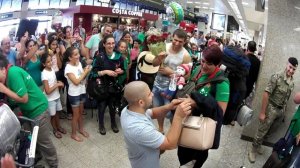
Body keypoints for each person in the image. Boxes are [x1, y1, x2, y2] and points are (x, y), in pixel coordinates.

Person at [0, 56, 58, 167]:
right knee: (31, 138)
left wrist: (4, 90)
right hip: (29, 111)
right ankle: (37, 155)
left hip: (38, 109)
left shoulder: (12, 72)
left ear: (2, 69)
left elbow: (24, 98)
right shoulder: (8, 75)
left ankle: (53, 163)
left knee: (43, 141)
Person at [177, 45, 230, 168]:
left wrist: (197, 104)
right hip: (187, 122)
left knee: (193, 159)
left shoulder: (222, 83)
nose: (204, 66)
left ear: (217, 64)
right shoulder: (199, 71)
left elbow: (220, 112)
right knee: (183, 153)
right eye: (203, 61)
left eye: (209, 64)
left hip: (201, 129)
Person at [120, 81, 191, 168]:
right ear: (141, 102)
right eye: (149, 94)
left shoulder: (129, 109)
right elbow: (170, 144)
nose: (153, 94)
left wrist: (169, 106)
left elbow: (152, 113)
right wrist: (178, 116)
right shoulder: (139, 128)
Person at [249, 57, 298, 163]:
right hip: (271, 108)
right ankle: (253, 149)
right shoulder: (277, 76)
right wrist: (262, 112)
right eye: (290, 67)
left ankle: (259, 144)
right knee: (262, 130)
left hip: (280, 111)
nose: (291, 70)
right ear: (286, 64)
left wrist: (283, 112)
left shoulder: (291, 82)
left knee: (270, 131)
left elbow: (287, 98)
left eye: (294, 69)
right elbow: (266, 94)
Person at [152, 28, 191, 133]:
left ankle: (174, 130)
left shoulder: (186, 55)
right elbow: (154, 64)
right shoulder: (165, 46)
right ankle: (160, 129)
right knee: (158, 109)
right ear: (172, 37)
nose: (177, 43)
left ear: (185, 42)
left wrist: (171, 73)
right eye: (175, 40)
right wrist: (159, 58)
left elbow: (188, 76)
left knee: (170, 113)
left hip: (172, 88)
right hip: (157, 82)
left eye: (180, 41)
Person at [89, 34, 125, 135]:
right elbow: (92, 73)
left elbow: (124, 71)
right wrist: (105, 72)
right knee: (102, 106)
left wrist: (120, 71)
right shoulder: (99, 57)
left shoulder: (119, 56)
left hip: (114, 86)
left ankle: (113, 123)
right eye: (108, 43)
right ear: (104, 44)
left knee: (113, 106)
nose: (111, 46)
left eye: (113, 43)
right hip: (102, 87)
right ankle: (101, 125)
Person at [63, 47, 91, 142]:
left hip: (82, 90)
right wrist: (86, 72)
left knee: (81, 112)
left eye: (78, 53)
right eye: (75, 54)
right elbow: (76, 81)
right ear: (70, 58)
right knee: (76, 115)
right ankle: (73, 134)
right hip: (74, 94)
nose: (78, 55)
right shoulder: (68, 68)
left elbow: (81, 75)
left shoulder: (78, 63)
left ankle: (81, 129)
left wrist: (85, 70)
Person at [41, 53, 66, 139]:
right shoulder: (44, 74)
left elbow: (53, 82)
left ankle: (59, 126)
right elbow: (47, 91)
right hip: (50, 99)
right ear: (43, 64)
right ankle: (55, 129)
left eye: (51, 60)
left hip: (56, 96)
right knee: (53, 115)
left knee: (58, 113)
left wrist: (58, 83)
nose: (50, 63)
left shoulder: (51, 69)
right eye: (48, 62)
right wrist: (57, 85)